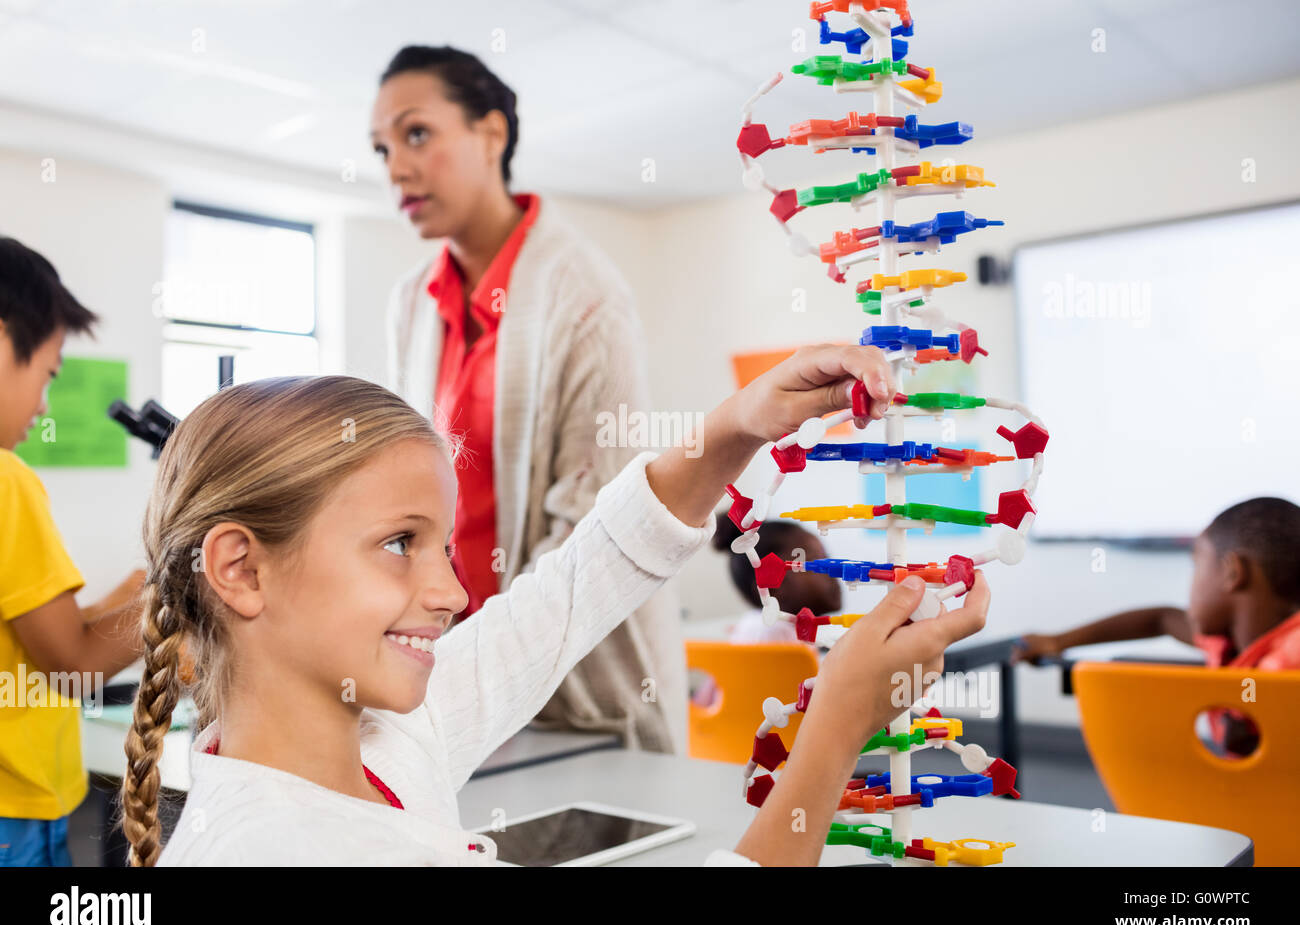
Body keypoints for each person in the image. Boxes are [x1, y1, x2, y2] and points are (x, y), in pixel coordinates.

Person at [118, 345, 989, 866]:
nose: (453, 593)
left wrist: (734, 428)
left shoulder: (373, 740)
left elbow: (567, 594)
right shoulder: (296, 850)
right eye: (399, 543)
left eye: (445, 547)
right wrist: (838, 725)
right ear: (240, 568)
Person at [374, 45, 688, 753]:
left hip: (580, 692)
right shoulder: (410, 304)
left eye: (416, 133)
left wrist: (473, 659)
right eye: (382, 147)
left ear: (492, 134)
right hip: (452, 674)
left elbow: (595, 523)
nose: (395, 167)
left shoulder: (585, 294)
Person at [0, 237, 144, 865]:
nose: (45, 404)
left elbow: (30, 636)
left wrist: (134, 593)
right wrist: (177, 606)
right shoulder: (7, 481)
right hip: (19, 806)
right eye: (48, 374)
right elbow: (72, 667)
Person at [1014, 497, 1300, 755]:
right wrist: (1058, 642)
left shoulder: (1290, 657)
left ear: (1232, 572)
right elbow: (1163, 618)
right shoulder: (1231, 642)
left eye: (1197, 564)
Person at [692, 520, 841, 708]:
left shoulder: (764, 626)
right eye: (814, 561)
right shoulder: (773, 632)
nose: (833, 569)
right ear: (773, 585)